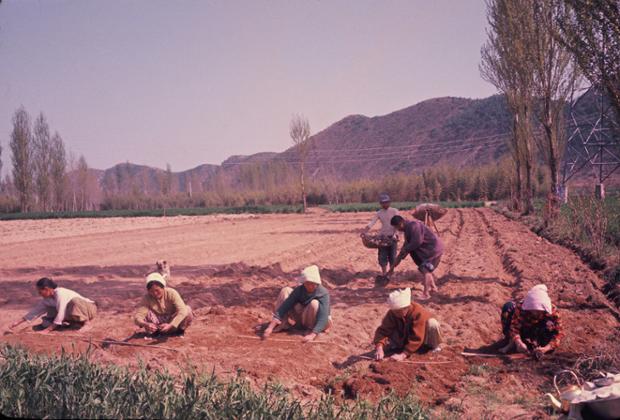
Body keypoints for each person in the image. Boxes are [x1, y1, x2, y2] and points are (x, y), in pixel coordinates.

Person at [263, 265, 332, 343]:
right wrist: (270, 327)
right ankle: (282, 324)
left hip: (321, 321)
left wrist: (313, 334)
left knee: (314, 304)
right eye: (307, 283)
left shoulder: (323, 293)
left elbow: (323, 317)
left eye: (312, 283)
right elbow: (285, 306)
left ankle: (311, 329)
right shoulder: (300, 290)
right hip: (304, 316)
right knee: (286, 290)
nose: (310, 286)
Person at [373, 288, 442, 361]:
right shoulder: (392, 313)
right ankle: (398, 347)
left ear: (406, 308)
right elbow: (382, 331)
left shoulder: (418, 312)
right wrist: (379, 348)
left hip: (423, 339)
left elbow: (417, 337)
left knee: (432, 323)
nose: (396, 313)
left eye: (399, 311)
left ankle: (434, 346)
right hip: (405, 338)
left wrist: (403, 355)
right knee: (390, 326)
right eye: (395, 311)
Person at [9, 277, 97, 333]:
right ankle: (75, 324)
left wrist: (47, 330)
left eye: (40, 291)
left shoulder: (60, 293)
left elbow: (61, 313)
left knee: (74, 302)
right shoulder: (47, 300)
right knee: (50, 312)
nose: (39, 294)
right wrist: (16, 323)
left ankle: (87, 323)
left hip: (89, 309)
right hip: (75, 312)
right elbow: (35, 312)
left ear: (47, 289)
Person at [388, 215, 444, 299]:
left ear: (401, 223)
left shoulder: (414, 225)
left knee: (425, 269)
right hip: (428, 250)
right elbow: (406, 245)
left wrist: (405, 250)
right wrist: (395, 263)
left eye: (397, 227)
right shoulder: (407, 229)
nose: (398, 229)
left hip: (433, 249)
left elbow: (417, 242)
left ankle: (426, 294)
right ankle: (433, 288)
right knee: (425, 269)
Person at [499, 284, 563, 356]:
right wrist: (518, 342)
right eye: (533, 310)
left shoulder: (553, 312)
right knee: (508, 306)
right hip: (524, 329)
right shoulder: (521, 307)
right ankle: (512, 341)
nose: (536, 313)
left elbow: (558, 333)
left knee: (548, 333)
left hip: (539, 331)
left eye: (539, 311)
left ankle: (537, 343)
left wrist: (546, 348)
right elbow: (514, 327)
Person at [361, 193, 399, 279]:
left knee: (392, 257)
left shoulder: (394, 211)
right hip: (382, 237)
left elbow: (398, 223)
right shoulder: (379, 213)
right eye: (383, 203)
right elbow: (372, 223)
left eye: (386, 202)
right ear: (380, 203)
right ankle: (384, 274)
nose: (385, 204)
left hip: (393, 237)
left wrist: (395, 234)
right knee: (382, 256)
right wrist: (364, 231)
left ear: (389, 202)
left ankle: (391, 273)